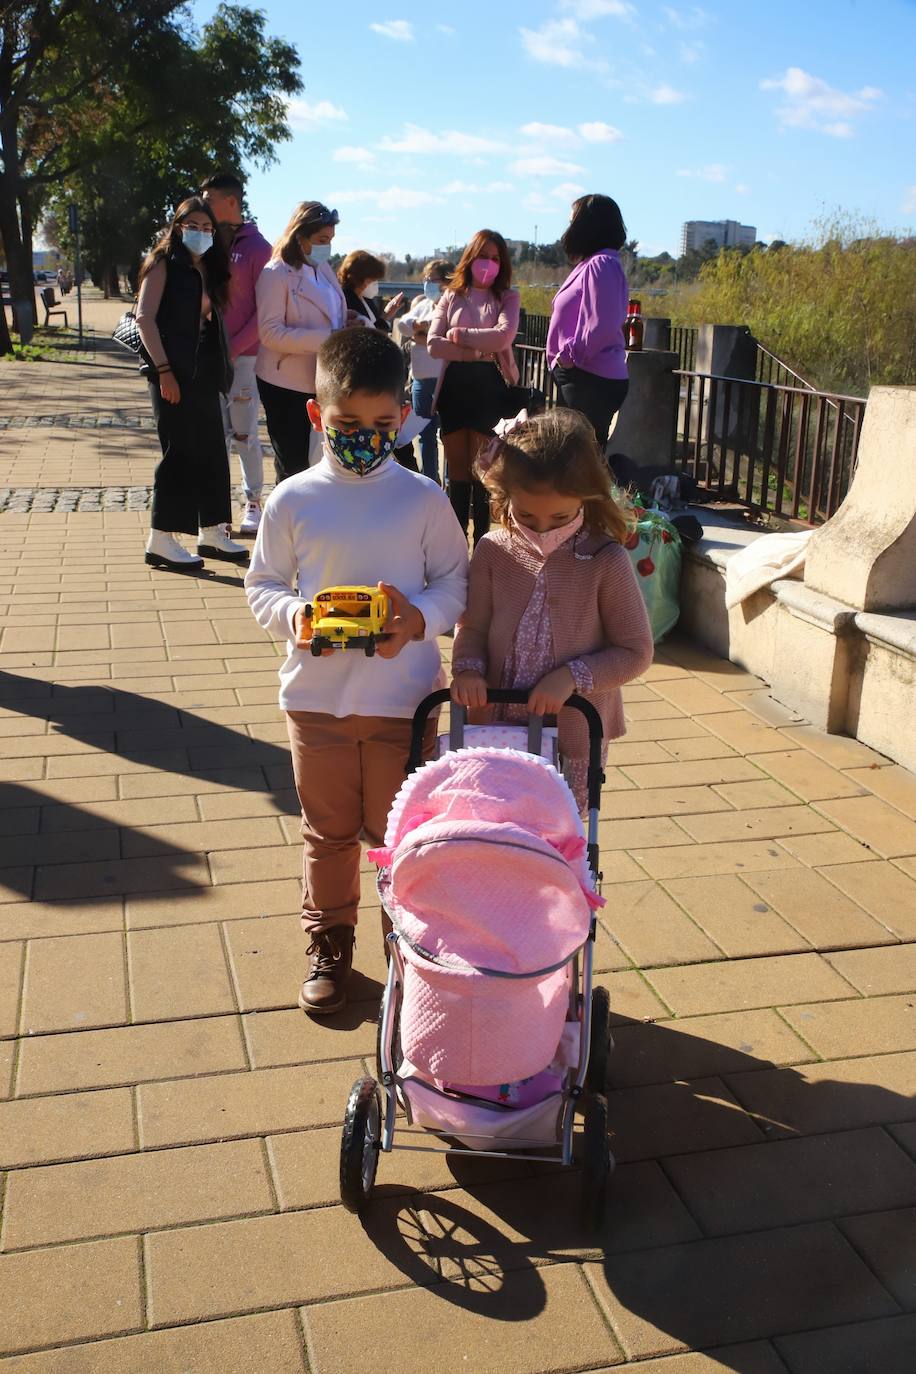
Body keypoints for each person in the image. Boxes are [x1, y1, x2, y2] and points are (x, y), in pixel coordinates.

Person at [245, 327, 468, 1014]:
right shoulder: (292, 500)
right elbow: (263, 585)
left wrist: (418, 619)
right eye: (346, 425)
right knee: (328, 832)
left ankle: (408, 946)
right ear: (317, 414)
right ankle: (330, 942)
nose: (364, 438)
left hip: (403, 703)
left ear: (403, 415)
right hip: (316, 703)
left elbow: (455, 583)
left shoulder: (424, 499)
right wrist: (296, 617)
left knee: (401, 837)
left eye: (380, 424)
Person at [451, 407, 653, 813]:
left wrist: (572, 677)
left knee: (560, 828)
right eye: (526, 515)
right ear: (505, 496)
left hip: (572, 733)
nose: (542, 528)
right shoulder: (493, 551)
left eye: (560, 516)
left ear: (586, 497)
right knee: (490, 820)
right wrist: (468, 669)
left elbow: (636, 652)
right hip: (496, 726)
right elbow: (472, 627)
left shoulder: (605, 559)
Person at [136, 195, 248, 570]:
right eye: (193, 226)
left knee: (213, 451)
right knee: (179, 452)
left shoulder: (207, 269)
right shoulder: (163, 263)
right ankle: (161, 538)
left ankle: (212, 531)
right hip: (172, 372)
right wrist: (164, 371)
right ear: (178, 227)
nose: (201, 233)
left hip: (204, 372)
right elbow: (144, 319)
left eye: (207, 227)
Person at [427, 229, 520, 545]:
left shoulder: (507, 297)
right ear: (470, 257)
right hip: (453, 388)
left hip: (488, 389)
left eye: (495, 259)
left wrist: (460, 335)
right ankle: (454, 545)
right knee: (457, 473)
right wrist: (478, 350)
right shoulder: (451, 295)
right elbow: (433, 344)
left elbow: (503, 337)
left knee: (483, 472)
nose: (488, 264)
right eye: (483, 256)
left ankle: (482, 543)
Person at [255, 201, 348, 483]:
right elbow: (270, 332)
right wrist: (329, 338)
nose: (327, 246)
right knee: (292, 466)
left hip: (323, 380)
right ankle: (284, 511)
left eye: (330, 240)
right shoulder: (275, 273)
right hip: (285, 382)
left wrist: (349, 321)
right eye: (321, 240)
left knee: (322, 464)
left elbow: (332, 312)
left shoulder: (323, 268)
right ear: (300, 237)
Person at [201, 172, 272, 535]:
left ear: (231, 201)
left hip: (244, 359)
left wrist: (233, 348)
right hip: (208, 355)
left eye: (209, 199)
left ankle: (253, 503)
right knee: (214, 437)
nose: (204, 205)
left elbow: (266, 312)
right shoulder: (207, 241)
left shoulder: (259, 248)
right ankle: (215, 512)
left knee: (245, 434)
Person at [546, 194, 630, 453]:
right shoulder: (594, 264)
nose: (568, 228)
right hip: (585, 374)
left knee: (577, 461)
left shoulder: (600, 264)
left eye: (573, 221)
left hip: (587, 375)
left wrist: (571, 356)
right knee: (578, 459)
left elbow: (601, 323)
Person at [396, 258, 453, 483]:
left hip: (445, 379)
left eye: (432, 279)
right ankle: (430, 480)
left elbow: (447, 335)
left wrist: (421, 333)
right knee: (425, 434)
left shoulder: (453, 305)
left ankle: (450, 481)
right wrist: (421, 329)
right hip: (420, 380)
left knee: (448, 433)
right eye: (426, 279)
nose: (427, 283)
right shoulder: (424, 304)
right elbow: (403, 324)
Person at [338, 250, 405, 332]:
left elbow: (374, 327)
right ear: (358, 277)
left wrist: (387, 314)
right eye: (371, 280)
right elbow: (367, 332)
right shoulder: (346, 300)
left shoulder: (366, 299)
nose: (374, 283)